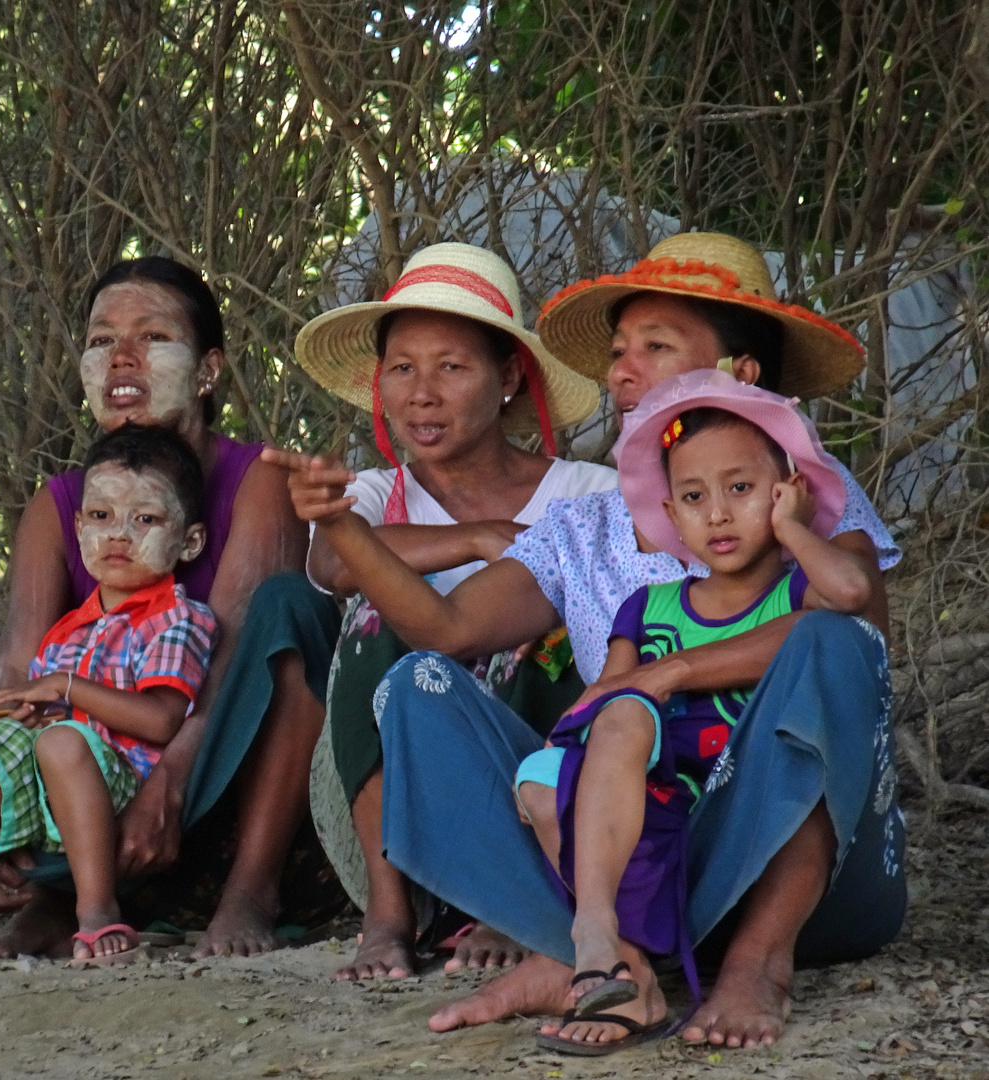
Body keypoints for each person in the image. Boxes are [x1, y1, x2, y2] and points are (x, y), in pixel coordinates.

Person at [267, 232, 902, 1049]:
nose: (621, 371)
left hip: (805, 874)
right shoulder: (588, 524)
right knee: (420, 686)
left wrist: (666, 673)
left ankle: (755, 963)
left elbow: (856, 629)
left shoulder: (805, 493)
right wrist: (346, 530)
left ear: (740, 373)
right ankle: (595, 955)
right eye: (617, 350)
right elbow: (448, 628)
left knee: (829, 640)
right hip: (629, 860)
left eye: (655, 346)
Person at [0, 257, 344, 961]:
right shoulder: (60, 503)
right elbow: (17, 660)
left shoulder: (256, 479)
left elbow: (228, 663)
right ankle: (36, 886)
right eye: (101, 340)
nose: (121, 357)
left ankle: (250, 890)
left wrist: (164, 787)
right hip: (76, 779)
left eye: (153, 336)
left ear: (207, 370)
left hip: (204, 787)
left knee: (292, 612)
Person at [517, 371, 872, 1053]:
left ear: (783, 489)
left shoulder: (800, 589)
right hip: (661, 816)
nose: (715, 514)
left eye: (739, 490)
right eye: (691, 497)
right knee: (579, 743)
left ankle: (750, 960)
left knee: (828, 639)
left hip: (758, 815)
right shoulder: (645, 609)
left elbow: (852, 591)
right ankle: (600, 937)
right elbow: (605, 712)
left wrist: (793, 529)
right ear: (670, 517)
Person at [290, 242, 612, 981]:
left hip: (547, 792)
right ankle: (387, 911)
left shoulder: (586, 492)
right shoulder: (368, 498)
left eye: (450, 367)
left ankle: (512, 896)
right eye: (401, 368)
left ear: (506, 378)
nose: (420, 393)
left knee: (550, 632)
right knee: (374, 618)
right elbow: (337, 563)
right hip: (392, 801)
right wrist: (470, 538)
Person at [0, 426, 219, 963]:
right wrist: (28, 712)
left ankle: (95, 911)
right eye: (101, 516)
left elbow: (163, 719)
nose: (119, 534)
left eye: (145, 519)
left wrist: (66, 691)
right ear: (78, 527)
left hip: (123, 795)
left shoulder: (176, 620)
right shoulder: (68, 627)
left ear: (190, 541)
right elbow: (45, 712)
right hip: (47, 793)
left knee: (64, 743)